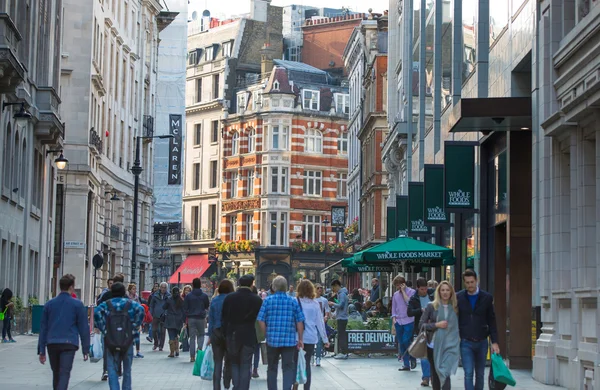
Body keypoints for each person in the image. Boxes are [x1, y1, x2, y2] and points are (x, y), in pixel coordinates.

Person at [38, 275, 90, 390]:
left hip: (52, 342)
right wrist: (86, 348)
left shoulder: (49, 304)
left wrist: (41, 349)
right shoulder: (77, 304)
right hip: (69, 343)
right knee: (64, 373)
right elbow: (83, 327)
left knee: (56, 373)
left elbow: (43, 328)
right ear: (71, 287)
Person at [94, 282, 144, 390]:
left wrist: (103, 328)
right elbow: (141, 310)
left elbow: (96, 312)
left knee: (111, 368)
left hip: (111, 340)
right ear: (123, 292)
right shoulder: (130, 304)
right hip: (127, 340)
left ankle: (114, 388)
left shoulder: (107, 304)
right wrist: (135, 325)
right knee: (127, 369)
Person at [258, 276, 305, 390]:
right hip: (289, 341)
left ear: (273, 287)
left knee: (272, 367)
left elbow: (260, 319)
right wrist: (300, 339)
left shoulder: (267, 301)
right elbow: (300, 321)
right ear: (286, 287)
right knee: (288, 367)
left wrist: (265, 334)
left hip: (272, 340)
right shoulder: (293, 301)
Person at [457, 269, 499, 390]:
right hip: (466, 342)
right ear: (464, 283)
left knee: (480, 374)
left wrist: (495, 341)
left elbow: (492, 321)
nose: (470, 285)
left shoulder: (487, 298)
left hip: (482, 341)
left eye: (472, 282)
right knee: (468, 373)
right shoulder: (459, 297)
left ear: (477, 281)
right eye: (467, 282)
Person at [222, 274, 263, 390]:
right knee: (246, 364)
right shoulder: (257, 299)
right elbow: (259, 319)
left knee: (234, 362)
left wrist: (226, 335)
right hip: (249, 334)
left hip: (233, 334)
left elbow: (224, 318)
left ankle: (236, 385)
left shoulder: (229, 298)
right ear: (251, 284)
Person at [419, 281, 460, 390]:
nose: (445, 292)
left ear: (451, 292)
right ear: (439, 292)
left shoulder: (455, 307)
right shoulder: (431, 306)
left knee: (446, 374)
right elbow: (421, 325)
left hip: (449, 345)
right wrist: (436, 325)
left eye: (447, 290)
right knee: (436, 373)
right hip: (433, 345)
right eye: (443, 290)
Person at [296, 280, 329, 390]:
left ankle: (294, 386)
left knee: (295, 363)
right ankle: (307, 388)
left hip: (296, 337)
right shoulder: (315, 304)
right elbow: (320, 323)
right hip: (310, 337)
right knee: (306, 364)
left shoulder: (295, 301)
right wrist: (325, 340)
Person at [97, 273, 125, 381]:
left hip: (107, 326)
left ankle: (106, 370)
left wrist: (98, 325)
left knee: (107, 350)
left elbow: (98, 310)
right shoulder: (125, 297)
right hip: (121, 328)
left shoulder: (106, 295)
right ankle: (117, 369)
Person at [408, 278, 435, 387]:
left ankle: (434, 377)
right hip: (421, 329)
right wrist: (420, 310)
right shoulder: (413, 298)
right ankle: (426, 378)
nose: (424, 291)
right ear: (418, 288)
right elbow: (409, 312)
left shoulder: (433, 294)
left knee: (435, 355)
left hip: (435, 328)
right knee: (424, 355)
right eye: (422, 289)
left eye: (426, 289)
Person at [208, 279, 234, 390]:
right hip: (229, 333)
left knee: (217, 361)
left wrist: (210, 335)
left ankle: (216, 387)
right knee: (229, 360)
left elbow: (211, 319)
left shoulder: (214, 300)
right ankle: (227, 382)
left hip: (216, 332)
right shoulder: (233, 300)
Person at [391, 275, 417, 371]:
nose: (398, 287)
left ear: (403, 284)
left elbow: (409, 302)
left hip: (409, 320)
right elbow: (394, 307)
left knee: (407, 340)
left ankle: (413, 357)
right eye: (396, 286)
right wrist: (394, 318)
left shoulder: (412, 292)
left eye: (399, 285)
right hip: (399, 320)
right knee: (401, 343)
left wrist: (403, 291)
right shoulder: (395, 295)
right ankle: (406, 364)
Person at [184, 277, 210, 362]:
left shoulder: (188, 296)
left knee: (192, 337)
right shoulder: (204, 296)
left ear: (193, 285)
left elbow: (185, 308)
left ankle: (192, 356)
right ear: (200, 285)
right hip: (201, 318)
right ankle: (199, 351)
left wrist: (186, 318)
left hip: (191, 318)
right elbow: (207, 306)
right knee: (201, 335)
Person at [328, 279, 349, 359]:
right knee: (340, 334)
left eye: (333, 287)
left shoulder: (342, 294)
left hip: (342, 317)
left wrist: (333, 304)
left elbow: (341, 305)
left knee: (341, 335)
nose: (333, 290)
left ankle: (343, 352)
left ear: (337, 285)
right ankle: (342, 352)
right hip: (341, 316)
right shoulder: (341, 294)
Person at [163, 286, 185, 358]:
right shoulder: (181, 300)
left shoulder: (169, 299)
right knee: (176, 336)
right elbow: (183, 310)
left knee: (171, 336)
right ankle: (177, 350)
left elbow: (164, 307)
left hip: (170, 319)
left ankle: (172, 352)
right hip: (179, 320)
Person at [149, 282, 170, 351]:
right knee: (154, 330)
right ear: (160, 288)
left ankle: (161, 346)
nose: (163, 289)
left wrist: (166, 313)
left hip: (164, 315)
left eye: (165, 288)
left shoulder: (168, 296)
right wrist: (151, 313)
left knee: (163, 331)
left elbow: (169, 306)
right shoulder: (155, 295)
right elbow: (151, 305)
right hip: (156, 315)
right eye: (162, 287)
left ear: (166, 288)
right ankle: (156, 343)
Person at [127, 284, 143, 358]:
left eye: (135, 289)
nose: (135, 290)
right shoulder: (127, 298)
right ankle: (131, 351)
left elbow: (140, 307)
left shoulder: (137, 297)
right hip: (129, 319)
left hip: (136, 319)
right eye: (133, 289)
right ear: (130, 290)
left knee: (137, 336)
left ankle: (138, 351)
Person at [314, 284, 329, 366]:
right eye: (318, 288)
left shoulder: (324, 300)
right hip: (312, 323)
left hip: (320, 322)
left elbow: (327, 309)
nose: (320, 289)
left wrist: (326, 316)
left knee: (319, 340)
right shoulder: (311, 299)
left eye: (321, 288)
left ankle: (318, 357)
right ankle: (311, 356)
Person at [251, 286, 261, 379]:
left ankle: (248, 368)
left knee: (248, 349)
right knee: (257, 350)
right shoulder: (259, 300)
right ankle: (255, 369)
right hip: (257, 328)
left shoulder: (246, 301)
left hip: (248, 328)